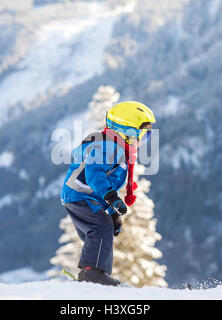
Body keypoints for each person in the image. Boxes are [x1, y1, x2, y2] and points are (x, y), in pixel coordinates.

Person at [60, 101, 156, 286]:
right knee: (99, 228)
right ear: (126, 131)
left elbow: (103, 186)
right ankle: (91, 274)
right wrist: (111, 197)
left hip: (84, 197)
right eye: (143, 136)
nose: (142, 142)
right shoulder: (109, 147)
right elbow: (94, 173)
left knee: (103, 229)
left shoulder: (118, 150)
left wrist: (112, 214)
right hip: (79, 196)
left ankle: (94, 273)